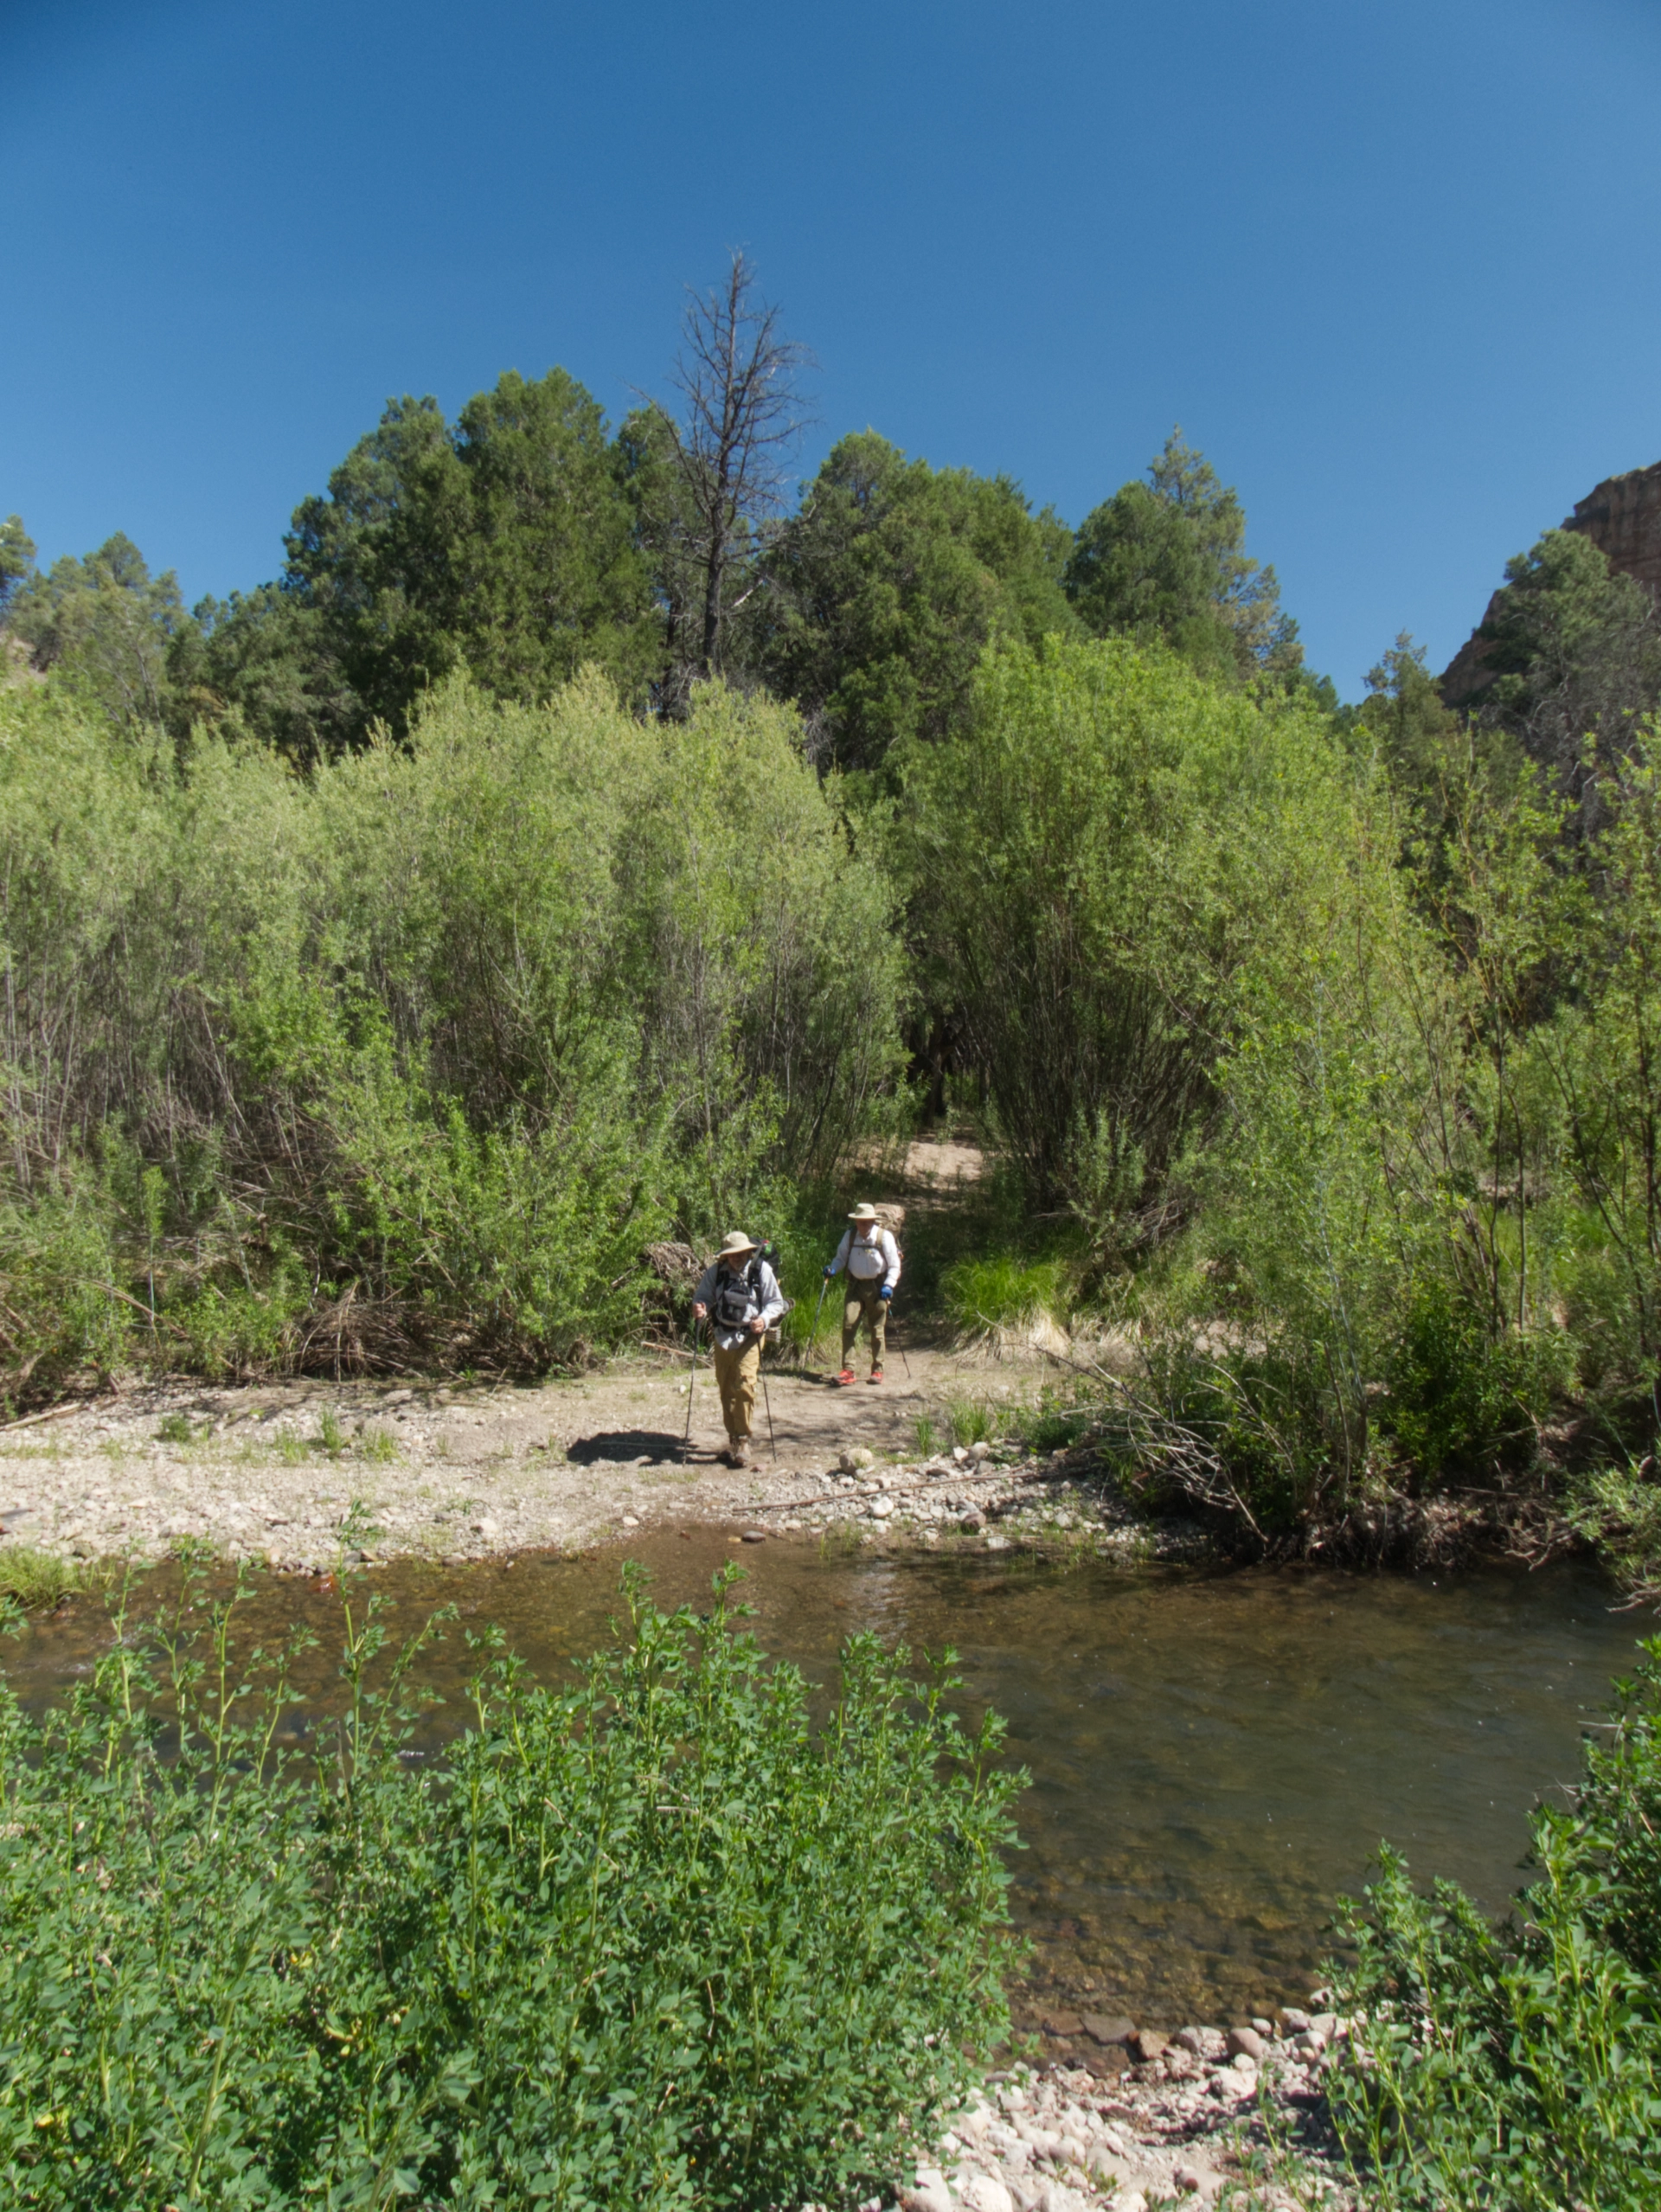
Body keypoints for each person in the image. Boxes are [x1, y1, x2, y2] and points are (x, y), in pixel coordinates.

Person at [692, 1232, 786, 1466]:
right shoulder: (716, 1272)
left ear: (748, 1251)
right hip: (722, 1336)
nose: (737, 1258)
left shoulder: (761, 1270)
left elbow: (776, 1302)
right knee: (726, 1388)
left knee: (745, 1384)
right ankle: (733, 1438)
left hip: (750, 1337)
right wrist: (700, 1309)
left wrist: (763, 1320)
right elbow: (702, 1297)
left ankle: (743, 1440)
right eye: (732, 1254)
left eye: (741, 1253)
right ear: (725, 1256)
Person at [824, 1202, 901, 1386]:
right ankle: (848, 1370)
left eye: (867, 1222)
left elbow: (895, 1265)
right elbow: (840, 1258)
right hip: (855, 1286)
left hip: (878, 1288)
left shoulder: (884, 1237)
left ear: (873, 1221)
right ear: (856, 1221)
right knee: (848, 1325)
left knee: (876, 1329)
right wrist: (832, 1269)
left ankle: (877, 1370)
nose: (863, 1226)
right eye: (860, 1222)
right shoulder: (850, 1236)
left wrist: (889, 1285)